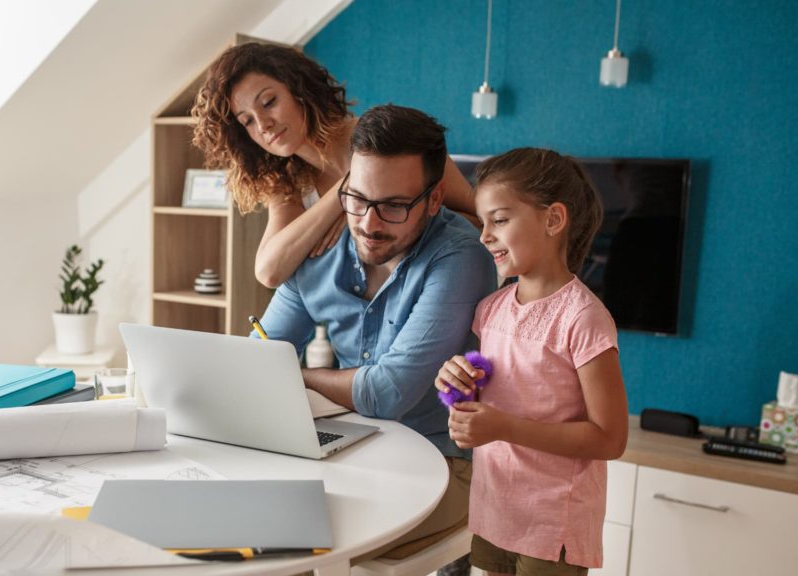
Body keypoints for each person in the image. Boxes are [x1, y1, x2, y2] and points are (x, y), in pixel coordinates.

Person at [255, 104, 496, 569]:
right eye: (358, 199)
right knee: (241, 531)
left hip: (442, 461)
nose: (368, 222)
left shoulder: (460, 257)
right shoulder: (322, 248)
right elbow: (260, 356)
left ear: (433, 198)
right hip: (352, 449)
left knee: (297, 553)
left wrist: (296, 374)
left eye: (393, 206)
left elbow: (386, 393)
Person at [435, 148, 629, 575]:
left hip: (552, 521)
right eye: (483, 222)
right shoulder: (491, 308)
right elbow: (501, 392)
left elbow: (610, 439)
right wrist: (456, 382)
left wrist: (503, 427)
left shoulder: (583, 317)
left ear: (553, 220)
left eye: (499, 220)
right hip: (494, 508)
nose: (484, 235)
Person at [191, 42, 478, 289]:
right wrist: (342, 196)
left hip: (444, 285)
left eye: (268, 102)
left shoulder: (384, 142)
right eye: (248, 121)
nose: (263, 125)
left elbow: (482, 221)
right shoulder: (288, 180)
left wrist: (366, 211)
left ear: (298, 89)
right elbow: (269, 271)